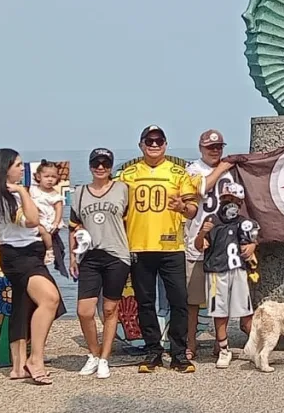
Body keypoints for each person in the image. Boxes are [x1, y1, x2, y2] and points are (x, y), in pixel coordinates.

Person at [117, 125, 199, 373]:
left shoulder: (178, 172)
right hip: (139, 246)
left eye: (159, 140)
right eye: (149, 141)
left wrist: (181, 207)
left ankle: (178, 353)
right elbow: (113, 205)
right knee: (145, 302)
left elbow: (193, 209)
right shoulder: (127, 174)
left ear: (165, 144)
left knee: (179, 301)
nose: (154, 144)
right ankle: (153, 351)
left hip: (171, 245)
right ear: (141, 144)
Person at [0, 148, 66, 384]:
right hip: (19, 256)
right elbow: (32, 220)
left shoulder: (11, 193)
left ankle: (18, 366)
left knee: (22, 305)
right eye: (18, 165)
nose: (23, 168)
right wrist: (22, 191)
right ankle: (36, 359)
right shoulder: (5, 196)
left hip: (28, 251)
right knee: (49, 299)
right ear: (6, 168)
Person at [69, 148, 130, 379]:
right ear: (90, 165)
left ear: (111, 166)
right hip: (90, 256)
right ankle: (93, 354)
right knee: (84, 311)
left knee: (109, 308)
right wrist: (73, 256)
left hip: (116, 254)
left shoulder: (122, 189)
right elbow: (73, 226)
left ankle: (105, 357)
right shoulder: (80, 192)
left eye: (105, 163)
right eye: (96, 163)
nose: (100, 167)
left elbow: (130, 220)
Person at [183, 129, 236, 359]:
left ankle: (220, 340)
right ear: (201, 148)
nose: (215, 151)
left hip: (221, 245)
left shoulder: (230, 172)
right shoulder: (192, 169)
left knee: (219, 298)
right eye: (210, 147)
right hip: (196, 240)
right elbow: (200, 189)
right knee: (193, 300)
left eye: (218, 147)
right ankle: (191, 341)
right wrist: (221, 169)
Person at [195, 181, 258, 369]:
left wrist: (253, 245)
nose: (231, 204)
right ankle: (223, 348)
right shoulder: (212, 220)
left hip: (237, 270)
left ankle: (256, 344)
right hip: (216, 270)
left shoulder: (244, 222)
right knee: (219, 312)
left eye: (235, 201)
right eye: (227, 199)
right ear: (221, 200)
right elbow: (199, 245)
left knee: (246, 312)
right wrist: (202, 234)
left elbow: (251, 241)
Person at [30, 160, 65, 270]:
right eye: (46, 176)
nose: (50, 179)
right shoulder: (33, 189)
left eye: (53, 177)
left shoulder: (54, 195)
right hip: (36, 217)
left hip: (48, 219)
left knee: (44, 231)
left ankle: (49, 250)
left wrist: (56, 222)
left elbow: (59, 209)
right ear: (39, 177)